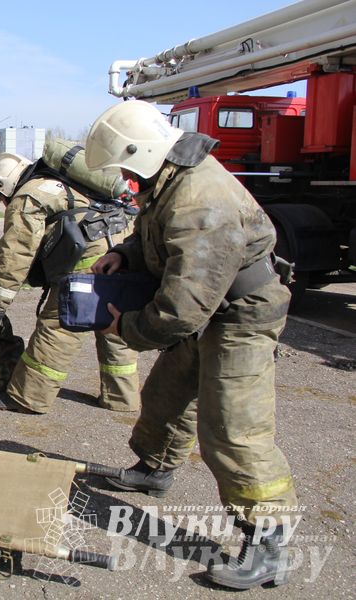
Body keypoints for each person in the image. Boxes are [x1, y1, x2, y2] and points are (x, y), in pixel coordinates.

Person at [85, 99, 298, 590]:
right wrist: (124, 253)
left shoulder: (202, 200)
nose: (120, 173)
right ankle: (154, 470)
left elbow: (182, 308)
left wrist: (129, 329)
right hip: (211, 308)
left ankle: (267, 541)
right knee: (165, 397)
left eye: (121, 162)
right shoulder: (172, 176)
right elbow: (156, 237)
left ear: (139, 151)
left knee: (233, 426)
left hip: (241, 317)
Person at [0, 152, 140, 414]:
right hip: (122, 253)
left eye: (0, 198)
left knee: (58, 326)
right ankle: (122, 399)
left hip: (88, 263)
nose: (3, 203)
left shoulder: (29, 195)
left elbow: (15, 255)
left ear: (4, 186)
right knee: (114, 326)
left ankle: (27, 398)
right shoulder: (63, 182)